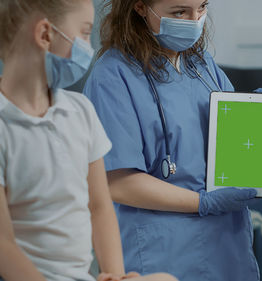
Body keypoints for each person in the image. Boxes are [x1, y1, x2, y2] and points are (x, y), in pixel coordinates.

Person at [83, 0, 262, 280]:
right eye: (180, 12)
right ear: (139, 7)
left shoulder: (203, 67)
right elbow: (118, 182)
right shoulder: (113, 76)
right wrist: (203, 203)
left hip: (227, 250)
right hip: (162, 253)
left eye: (202, 7)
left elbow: (232, 157)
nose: (195, 20)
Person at [0, 0, 176, 280]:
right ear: (45, 34)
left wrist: (114, 275)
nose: (88, 47)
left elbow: (99, 206)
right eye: (84, 33)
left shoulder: (80, 111)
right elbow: (3, 245)